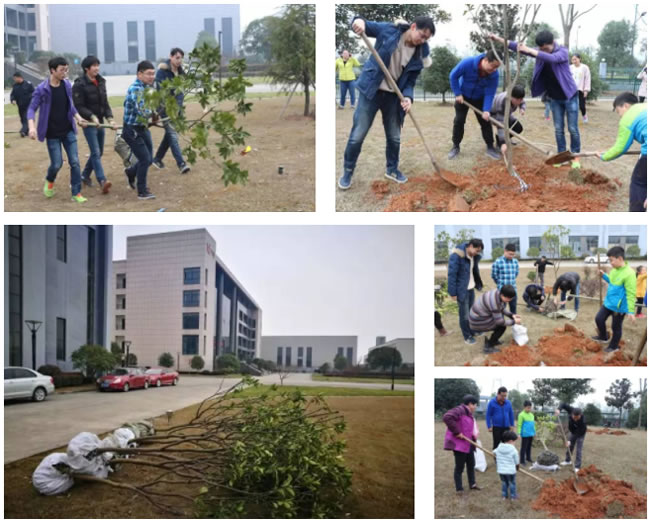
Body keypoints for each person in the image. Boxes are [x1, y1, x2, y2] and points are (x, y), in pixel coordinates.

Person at [339, 16, 435, 190]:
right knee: (358, 134)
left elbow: (411, 82)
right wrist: (359, 22)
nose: (422, 40)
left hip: (393, 96)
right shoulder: (389, 31)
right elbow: (364, 24)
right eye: (421, 35)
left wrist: (408, 97)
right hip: (371, 90)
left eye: (426, 39)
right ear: (413, 27)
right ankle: (348, 170)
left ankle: (391, 169)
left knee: (394, 137)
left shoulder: (418, 55)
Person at [490, 30, 580, 167]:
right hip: (554, 98)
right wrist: (498, 38)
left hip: (570, 96)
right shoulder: (541, 50)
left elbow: (552, 59)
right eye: (541, 49)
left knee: (573, 128)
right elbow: (516, 46)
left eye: (546, 49)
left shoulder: (562, 51)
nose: (544, 51)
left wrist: (531, 51)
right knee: (558, 129)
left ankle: (575, 156)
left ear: (552, 43)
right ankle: (562, 156)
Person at [27, 56, 90, 203]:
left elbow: (71, 106)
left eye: (66, 70)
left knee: (75, 161)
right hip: (52, 133)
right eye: (62, 70)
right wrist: (31, 127)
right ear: (52, 70)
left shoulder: (67, 85)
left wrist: (79, 118)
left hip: (68, 130)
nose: (65, 73)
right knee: (57, 164)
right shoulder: (42, 89)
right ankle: (50, 180)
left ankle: (76, 193)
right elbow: (31, 109)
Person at [72, 55, 118, 194]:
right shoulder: (79, 84)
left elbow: (105, 102)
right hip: (89, 123)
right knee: (96, 152)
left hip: (100, 122)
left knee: (99, 152)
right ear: (87, 68)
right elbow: (78, 106)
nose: (97, 68)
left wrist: (110, 118)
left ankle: (85, 175)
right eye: (94, 66)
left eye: (98, 65)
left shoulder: (101, 81)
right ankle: (102, 180)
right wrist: (91, 117)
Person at [596, 92, 647, 212]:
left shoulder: (628, 118)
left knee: (639, 182)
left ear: (626, 106)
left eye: (619, 112)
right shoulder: (645, 106)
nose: (620, 116)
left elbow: (620, 148)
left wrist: (604, 156)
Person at [448, 50, 501, 160]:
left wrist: (486, 110)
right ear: (485, 60)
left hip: (480, 98)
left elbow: (490, 92)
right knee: (459, 121)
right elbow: (453, 76)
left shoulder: (494, 75)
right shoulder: (468, 63)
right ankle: (455, 146)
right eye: (493, 66)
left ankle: (490, 147)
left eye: (497, 67)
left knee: (485, 121)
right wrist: (458, 93)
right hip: (463, 97)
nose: (494, 70)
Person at [122, 60, 158, 199]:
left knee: (149, 159)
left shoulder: (146, 88)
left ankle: (131, 172)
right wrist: (154, 114)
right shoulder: (135, 89)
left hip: (142, 127)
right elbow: (142, 110)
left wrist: (156, 113)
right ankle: (142, 191)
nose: (151, 77)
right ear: (139, 74)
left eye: (153, 74)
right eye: (149, 74)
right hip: (132, 130)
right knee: (144, 159)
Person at [591, 246, 637, 353]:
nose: (610, 263)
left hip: (619, 307)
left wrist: (630, 311)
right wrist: (604, 275)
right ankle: (603, 336)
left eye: (611, 260)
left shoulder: (629, 274)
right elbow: (612, 281)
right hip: (608, 303)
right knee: (599, 319)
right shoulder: (614, 270)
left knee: (615, 327)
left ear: (620, 258)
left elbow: (631, 294)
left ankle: (614, 346)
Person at [152, 48, 190, 174]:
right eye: (177, 57)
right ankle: (181, 164)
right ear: (171, 57)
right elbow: (160, 93)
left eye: (181, 58)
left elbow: (181, 93)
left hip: (177, 109)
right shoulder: (162, 72)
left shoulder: (181, 73)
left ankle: (157, 159)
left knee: (170, 135)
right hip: (164, 108)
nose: (179, 61)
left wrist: (178, 108)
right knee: (173, 135)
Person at [447, 238, 484, 345]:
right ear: (471, 246)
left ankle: (473, 330)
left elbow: (474, 271)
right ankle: (467, 336)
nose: (477, 253)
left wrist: (478, 284)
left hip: (471, 288)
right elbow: (451, 275)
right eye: (477, 250)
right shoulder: (457, 256)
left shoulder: (473, 256)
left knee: (472, 313)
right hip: (461, 291)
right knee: (464, 315)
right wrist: (452, 292)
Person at [443, 394, 481, 495]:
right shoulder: (459, 410)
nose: (476, 407)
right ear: (470, 404)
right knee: (459, 467)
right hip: (460, 445)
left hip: (469, 444)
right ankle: (459, 488)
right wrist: (457, 432)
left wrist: (474, 441)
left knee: (471, 465)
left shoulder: (469, 414)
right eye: (475, 405)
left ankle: (472, 484)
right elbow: (447, 417)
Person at [470, 286, 521, 353]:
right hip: (477, 321)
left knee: (500, 325)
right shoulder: (494, 304)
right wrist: (514, 321)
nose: (510, 300)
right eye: (509, 299)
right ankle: (488, 347)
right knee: (501, 327)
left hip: (479, 316)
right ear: (503, 295)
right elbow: (500, 322)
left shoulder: (497, 292)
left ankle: (494, 340)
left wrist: (511, 315)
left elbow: (502, 308)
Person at [490, 85, 526, 155]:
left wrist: (522, 108)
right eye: (517, 100)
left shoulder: (517, 96)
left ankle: (506, 139)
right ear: (511, 97)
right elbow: (500, 125)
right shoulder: (503, 102)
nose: (519, 102)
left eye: (520, 99)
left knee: (518, 128)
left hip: (507, 114)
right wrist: (503, 142)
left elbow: (522, 102)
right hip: (494, 115)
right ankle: (499, 142)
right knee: (504, 128)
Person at [555, 403, 586, 473]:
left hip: (580, 433)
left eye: (577, 418)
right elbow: (563, 404)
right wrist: (558, 410)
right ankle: (567, 460)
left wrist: (570, 440)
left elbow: (578, 433)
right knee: (570, 446)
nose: (575, 419)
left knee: (579, 449)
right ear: (572, 414)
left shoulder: (583, 422)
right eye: (574, 417)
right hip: (573, 431)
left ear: (580, 416)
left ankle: (577, 466)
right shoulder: (571, 410)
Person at [491, 243, 519, 314]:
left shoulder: (515, 262)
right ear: (505, 251)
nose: (511, 256)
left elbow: (516, 274)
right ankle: (501, 324)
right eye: (510, 254)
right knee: (501, 310)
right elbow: (494, 275)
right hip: (502, 292)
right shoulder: (498, 262)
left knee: (513, 310)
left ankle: (514, 324)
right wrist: (500, 284)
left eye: (513, 254)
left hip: (513, 290)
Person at [486, 387, 515, 451]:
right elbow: (488, 415)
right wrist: (489, 426)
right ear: (498, 394)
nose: (504, 398)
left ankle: (505, 459)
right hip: (497, 428)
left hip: (506, 428)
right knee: (496, 445)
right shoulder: (492, 402)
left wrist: (512, 425)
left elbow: (511, 414)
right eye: (502, 396)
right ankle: (496, 459)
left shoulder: (508, 403)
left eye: (505, 396)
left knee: (507, 444)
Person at [494, 430, 519, 501]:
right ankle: (513, 497)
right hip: (510, 471)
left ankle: (504, 496)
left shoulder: (499, 447)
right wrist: (517, 466)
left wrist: (496, 455)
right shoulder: (513, 450)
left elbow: (494, 452)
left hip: (501, 471)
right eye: (514, 441)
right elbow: (516, 461)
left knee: (504, 483)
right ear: (511, 441)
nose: (515, 443)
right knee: (512, 483)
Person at [10, 72, 34, 137]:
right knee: (22, 119)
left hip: (28, 105)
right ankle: (26, 130)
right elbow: (12, 94)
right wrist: (13, 100)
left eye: (15, 78)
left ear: (19, 77)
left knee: (25, 118)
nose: (14, 80)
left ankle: (23, 131)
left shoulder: (28, 84)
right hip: (20, 105)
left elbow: (34, 93)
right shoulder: (15, 85)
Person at [571, 53, 591, 123]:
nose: (574, 61)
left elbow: (587, 79)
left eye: (575, 59)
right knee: (572, 105)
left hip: (581, 90)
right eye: (572, 59)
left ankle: (584, 115)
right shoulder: (570, 67)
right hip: (571, 90)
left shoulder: (585, 68)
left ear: (579, 59)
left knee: (582, 106)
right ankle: (573, 118)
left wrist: (586, 90)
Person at [517, 400, 535, 465]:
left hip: (531, 434)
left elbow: (533, 424)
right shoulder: (521, 415)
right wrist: (519, 433)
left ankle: (528, 458)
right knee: (524, 447)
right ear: (524, 407)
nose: (529, 409)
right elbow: (519, 425)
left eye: (530, 407)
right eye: (528, 407)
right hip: (525, 434)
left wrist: (534, 432)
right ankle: (522, 460)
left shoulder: (532, 415)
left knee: (529, 446)